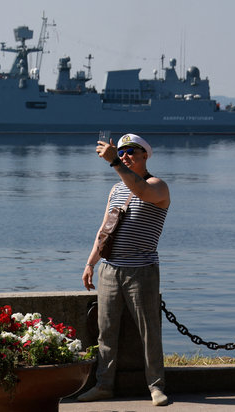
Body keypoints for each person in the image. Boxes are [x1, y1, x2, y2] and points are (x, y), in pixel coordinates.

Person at [78, 134, 171, 407]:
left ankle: (156, 387)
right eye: (121, 152)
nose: (125, 156)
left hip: (141, 271)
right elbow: (105, 229)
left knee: (149, 332)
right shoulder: (116, 189)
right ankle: (103, 385)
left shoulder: (159, 186)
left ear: (145, 156)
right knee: (105, 332)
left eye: (131, 151)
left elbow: (142, 191)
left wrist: (113, 163)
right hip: (110, 269)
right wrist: (90, 262)